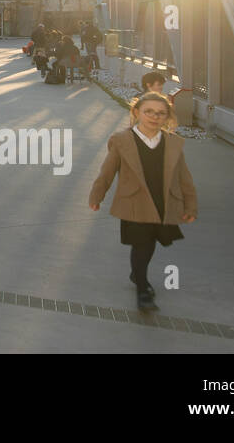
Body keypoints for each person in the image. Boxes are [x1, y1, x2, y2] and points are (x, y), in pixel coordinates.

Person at [88, 92, 197, 311]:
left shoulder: (172, 143)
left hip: (162, 202)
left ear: (167, 117)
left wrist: (190, 204)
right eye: (148, 111)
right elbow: (107, 171)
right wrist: (97, 195)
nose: (154, 117)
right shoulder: (122, 140)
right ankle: (142, 289)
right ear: (136, 112)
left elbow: (184, 176)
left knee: (151, 243)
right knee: (142, 245)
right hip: (135, 202)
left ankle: (137, 273)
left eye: (160, 113)